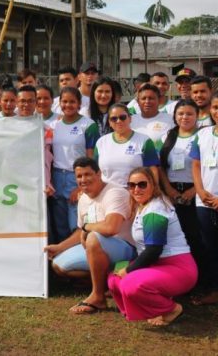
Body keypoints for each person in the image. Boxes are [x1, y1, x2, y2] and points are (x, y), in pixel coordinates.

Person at [45, 157, 135, 315]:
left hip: (126, 250)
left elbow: (111, 228)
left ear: (99, 174)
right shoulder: (83, 198)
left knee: (93, 238)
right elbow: (81, 231)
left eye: (87, 174)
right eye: (79, 176)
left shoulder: (115, 193)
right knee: (59, 265)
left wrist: (87, 228)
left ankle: (98, 297)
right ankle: (109, 282)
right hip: (98, 247)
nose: (83, 179)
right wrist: (59, 247)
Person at [108, 167, 197, 325]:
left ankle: (171, 309)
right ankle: (152, 308)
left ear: (153, 185)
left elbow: (154, 250)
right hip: (156, 265)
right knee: (114, 277)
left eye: (142, 184)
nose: (136, 189)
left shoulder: (155, 210)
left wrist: (129, 270)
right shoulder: (143, 205)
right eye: (132, 185)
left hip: (178, 268)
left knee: (130, 283)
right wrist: (126, 269)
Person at [155, 99, 207, 285]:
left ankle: (201, 278)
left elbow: (206, 167)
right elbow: (160, 166)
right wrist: (169, 190)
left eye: (189, 114)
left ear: (197, 116)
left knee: (196, 235)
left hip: (196, 191)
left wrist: (194, 190)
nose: (185, 117)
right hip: (171, 192)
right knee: (176, 235)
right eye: (181, 113)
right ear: (175, 116)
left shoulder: (203, 136)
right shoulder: (166, 137)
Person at [49, 87, 99, 242]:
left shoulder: (88, 125)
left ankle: (78, 252)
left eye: (72, 102)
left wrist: (81, 186)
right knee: (60, 224)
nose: (68, 105)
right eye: (64, 101)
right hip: (57, 176)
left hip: (77, 177)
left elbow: (92, 159)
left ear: (79, 104)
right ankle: (61, 254)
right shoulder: (54, 125)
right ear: (59, 103)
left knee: (76, 222)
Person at [189, 91, 218, 305]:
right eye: (216, 108)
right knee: (209, 246)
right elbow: (196, 164)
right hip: (204, 202)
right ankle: (214, 289)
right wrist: (199, 190)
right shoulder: (203, 134)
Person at [94, 103, 159, 188]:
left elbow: (152, 169)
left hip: (135, 191)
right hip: (107, 192)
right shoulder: (101, 142)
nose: (118, 121)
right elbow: (95, 171)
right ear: (109, 122)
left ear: (130, 119)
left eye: (122, 117)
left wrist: (154, 188)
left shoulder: (144, 140)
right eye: (114, 119)